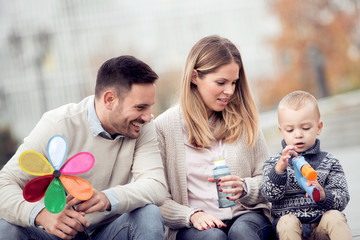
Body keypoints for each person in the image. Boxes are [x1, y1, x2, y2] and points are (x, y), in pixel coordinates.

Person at [0, 55, 167, 240]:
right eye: (140, 107)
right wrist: (40, 215)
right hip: (55, 235)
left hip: (109, 232)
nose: (147, 116)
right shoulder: (58, 124)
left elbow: (156, 185)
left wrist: (107, 198)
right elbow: (4, 183)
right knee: (6, 228)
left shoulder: (143, 127)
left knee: (149, 214)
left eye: (149, 107)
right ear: (110, 99)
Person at [155, 35, 273, 240]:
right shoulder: (163, 127)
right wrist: (191, 215)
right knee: (213, 238)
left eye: (234, 82)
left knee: (243, 233)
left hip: (246, 217)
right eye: (221, 82)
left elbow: (271, 180)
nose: (229, 91)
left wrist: (245, 187)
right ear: (194, 77)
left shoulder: (245, 120)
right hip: (194, 227)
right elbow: (157, 198)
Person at [261, 90, 351, 240]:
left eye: (306, 128)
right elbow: (269, 195)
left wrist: (323, 196)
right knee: (286, 222)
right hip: (289, 230)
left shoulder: (330, 162)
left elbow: (342, 198)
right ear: (282, 131)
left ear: (319, 127)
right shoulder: (274, 163)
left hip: (321, 227)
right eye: (290, 130)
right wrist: (279, 171)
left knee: (335, 217)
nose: (298, 134)